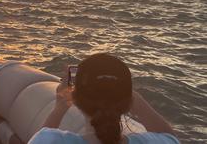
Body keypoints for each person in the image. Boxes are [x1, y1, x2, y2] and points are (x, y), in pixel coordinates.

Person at [28, 53, 179, 144]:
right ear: (128, 101)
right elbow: (170, 138)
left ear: (76, 98)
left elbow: (41, 136)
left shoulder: (49, 140)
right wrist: (132, 97)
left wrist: (59, 107)